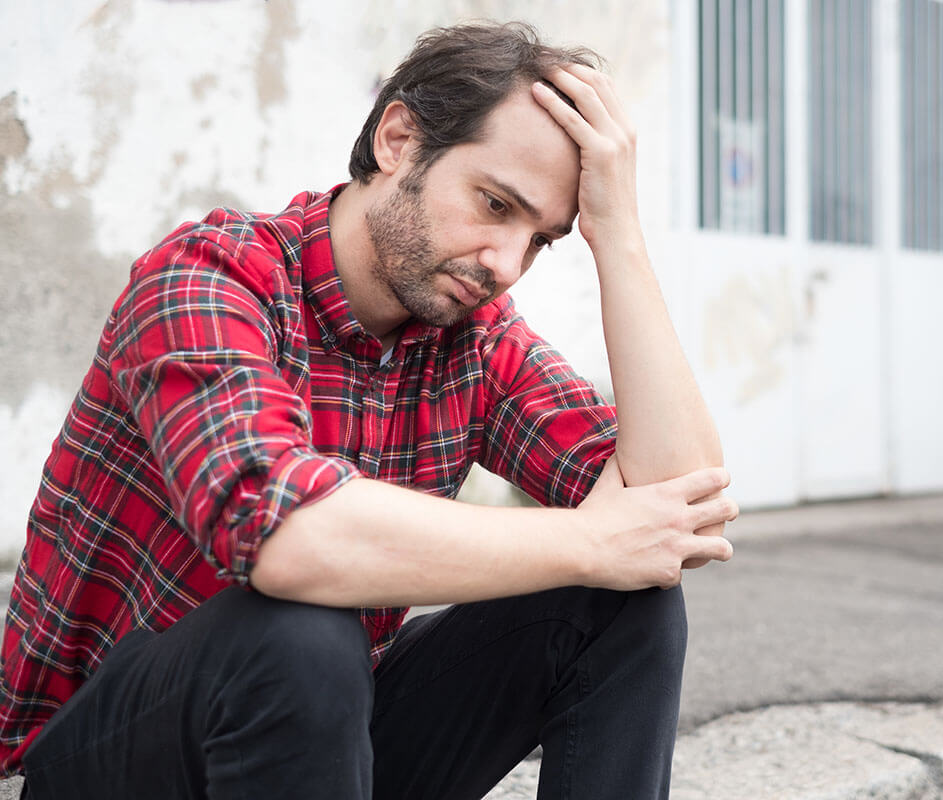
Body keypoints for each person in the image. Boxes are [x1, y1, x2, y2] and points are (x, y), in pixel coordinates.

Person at [0, 20, 736, 800]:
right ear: (397, 139)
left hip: (319, 739)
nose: (506, 265)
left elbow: (683, 513)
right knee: (302, 627)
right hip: (112, 759)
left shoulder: (472, 342)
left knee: (626, 603)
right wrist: (589, 538)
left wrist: (616, 234)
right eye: (494, 204)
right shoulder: (210, 276)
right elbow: (284, 538)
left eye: (540, 240)